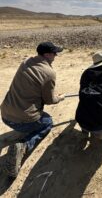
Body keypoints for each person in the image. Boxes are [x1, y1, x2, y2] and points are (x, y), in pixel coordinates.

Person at [1, 42, 64, 178]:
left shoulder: (26, 61)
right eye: (54, 53)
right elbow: (49, 100)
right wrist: (60, 98)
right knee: (47, 122)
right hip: (22, 121)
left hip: (5, 114)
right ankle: (24, 146)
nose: (56, 55)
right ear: (47, 55)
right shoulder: (49, 72)